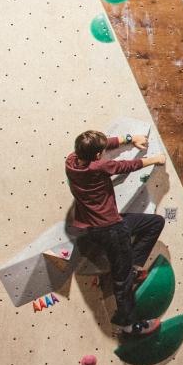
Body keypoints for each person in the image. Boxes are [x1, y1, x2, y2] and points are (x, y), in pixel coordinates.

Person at [65, 128, 166, 336]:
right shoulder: (100, 166)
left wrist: (129, 139)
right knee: (123, 281)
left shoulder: (71, 161)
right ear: (97, 155)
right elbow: (128, 165)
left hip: (92, 227)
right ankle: (130, 327)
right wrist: (156, 159)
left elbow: (102, 145)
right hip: (112, 229)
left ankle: (132, 267)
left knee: (155, 223)